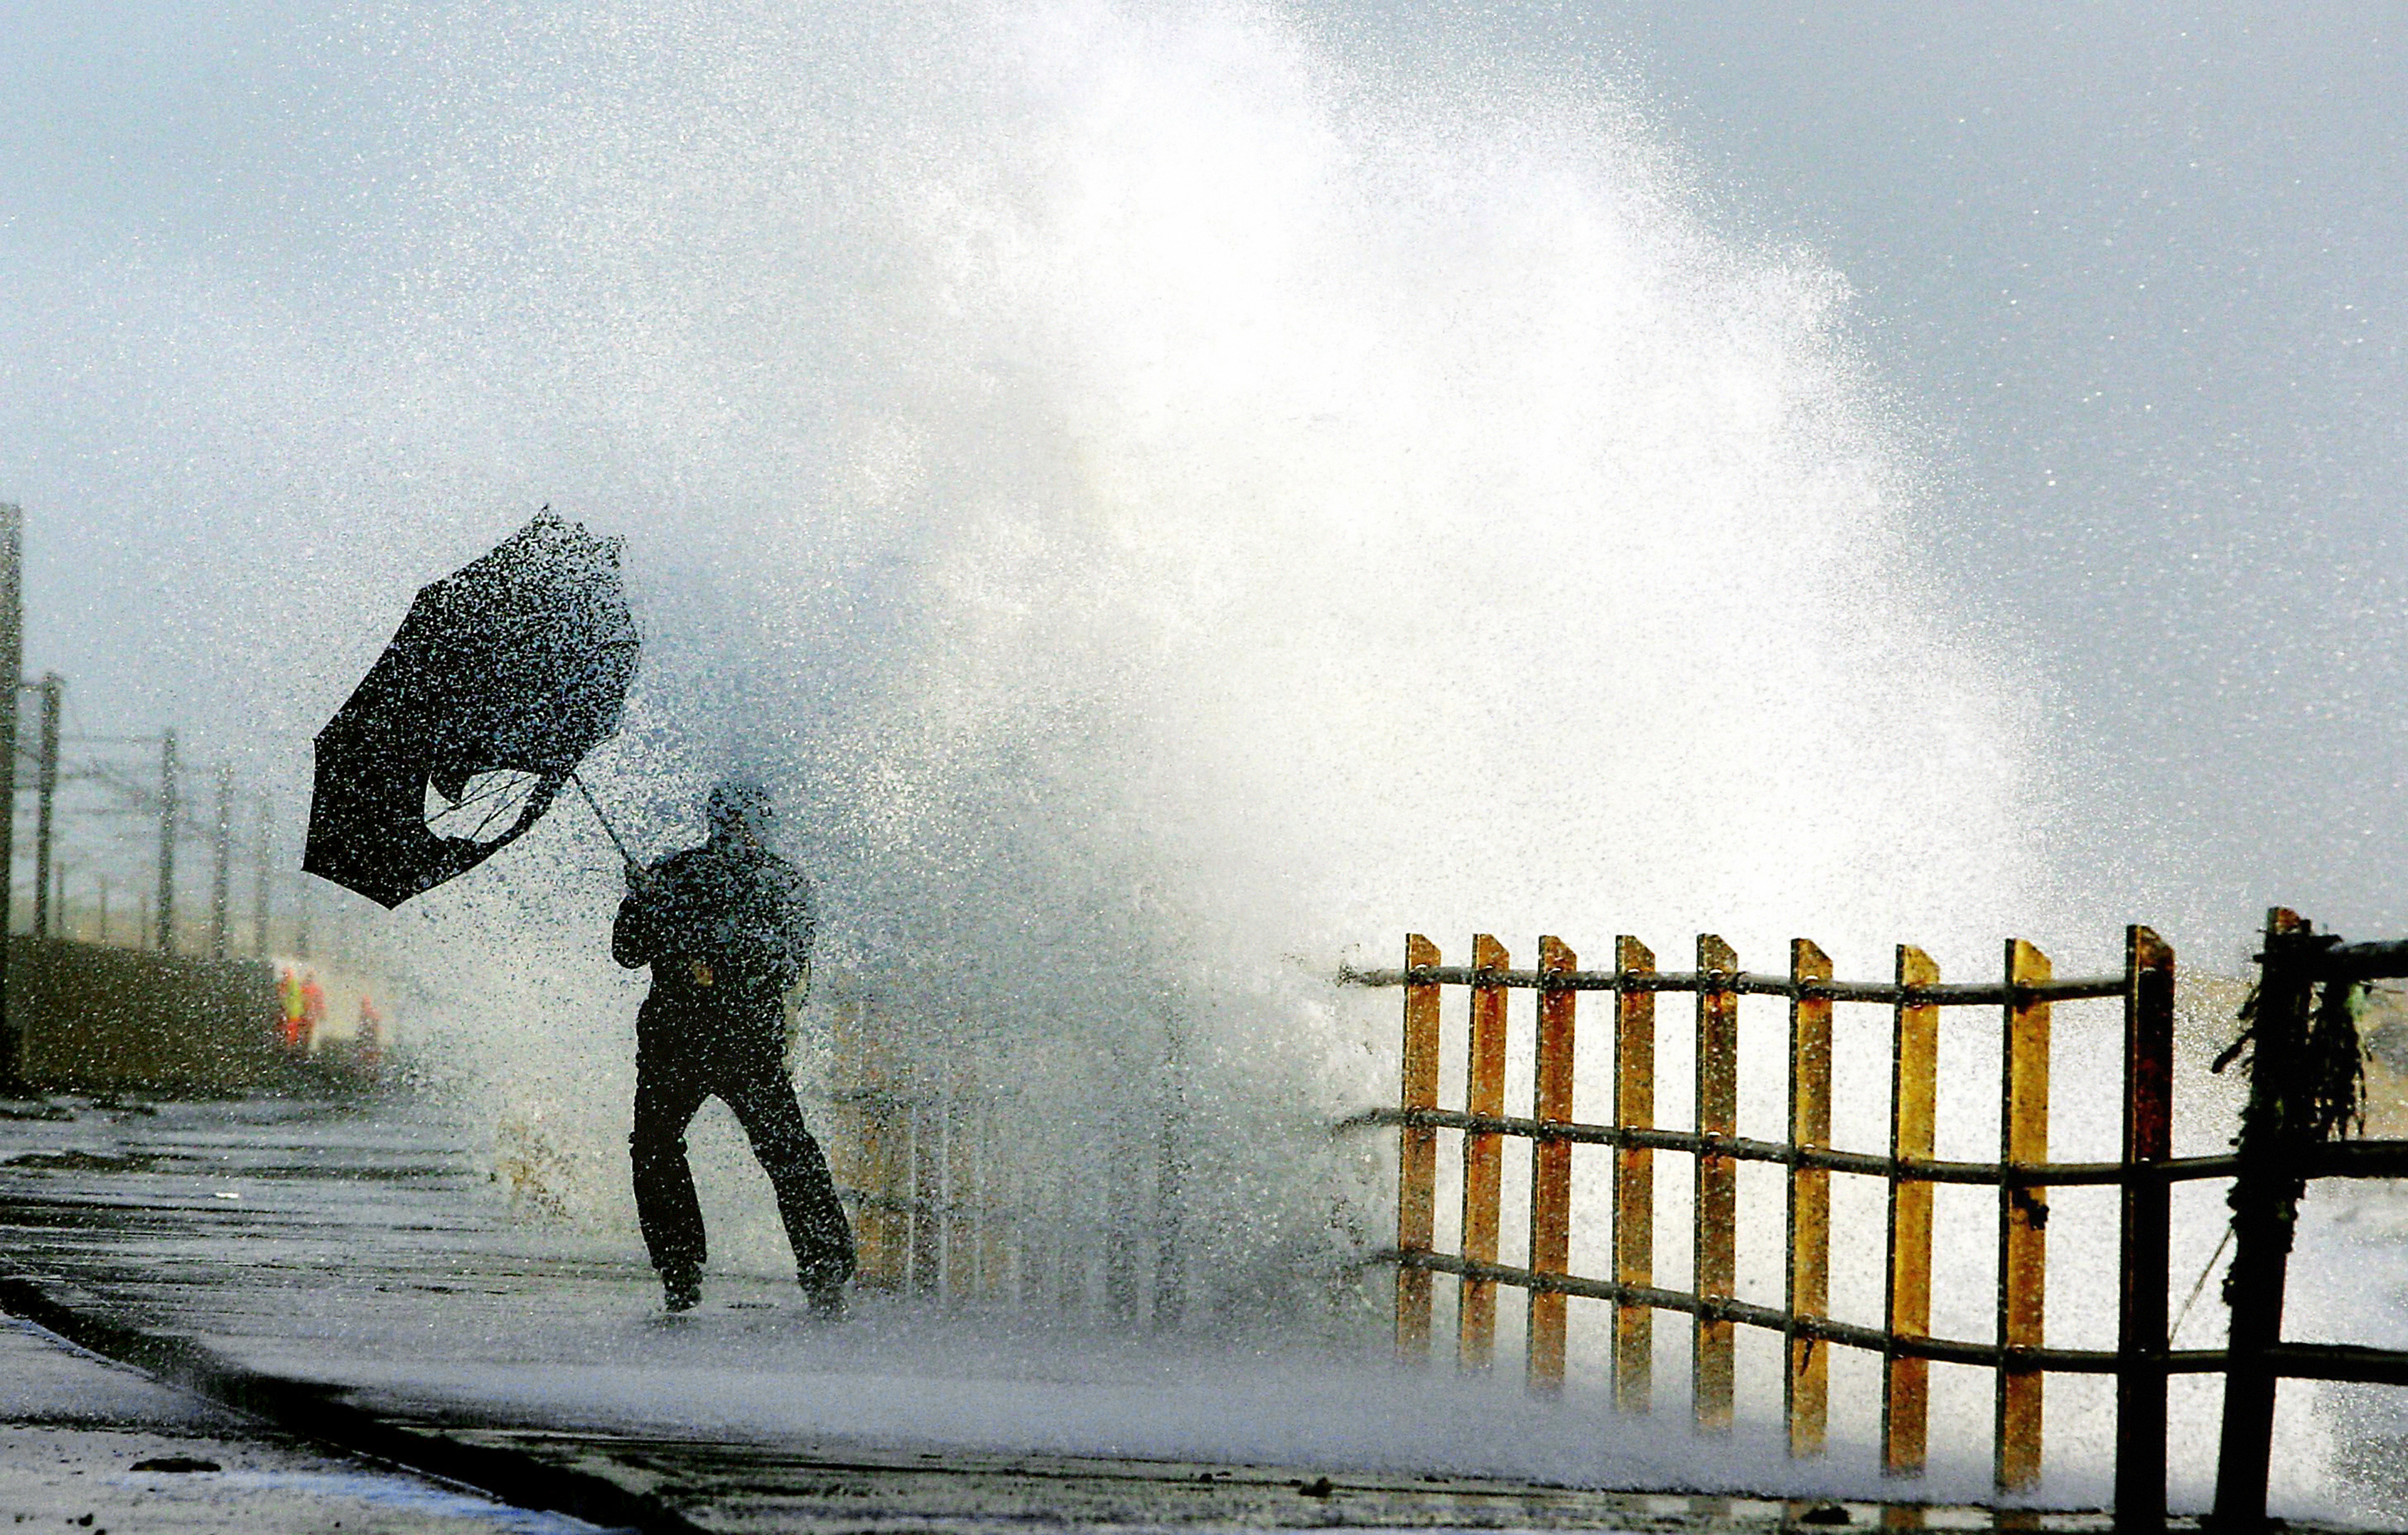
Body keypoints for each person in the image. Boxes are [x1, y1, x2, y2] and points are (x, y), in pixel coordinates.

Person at [613, 780, 854, 1315]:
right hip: (716, 1040)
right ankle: (820, 1271)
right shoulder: (763, 881)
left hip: (703, 1039)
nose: (740, 832)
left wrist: (674, 921)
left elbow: (631, 951)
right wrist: (640, 902)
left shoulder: (685, 877)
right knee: (779, 1151)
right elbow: (629, 949)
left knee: (666, 1148)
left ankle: (684, 1269)